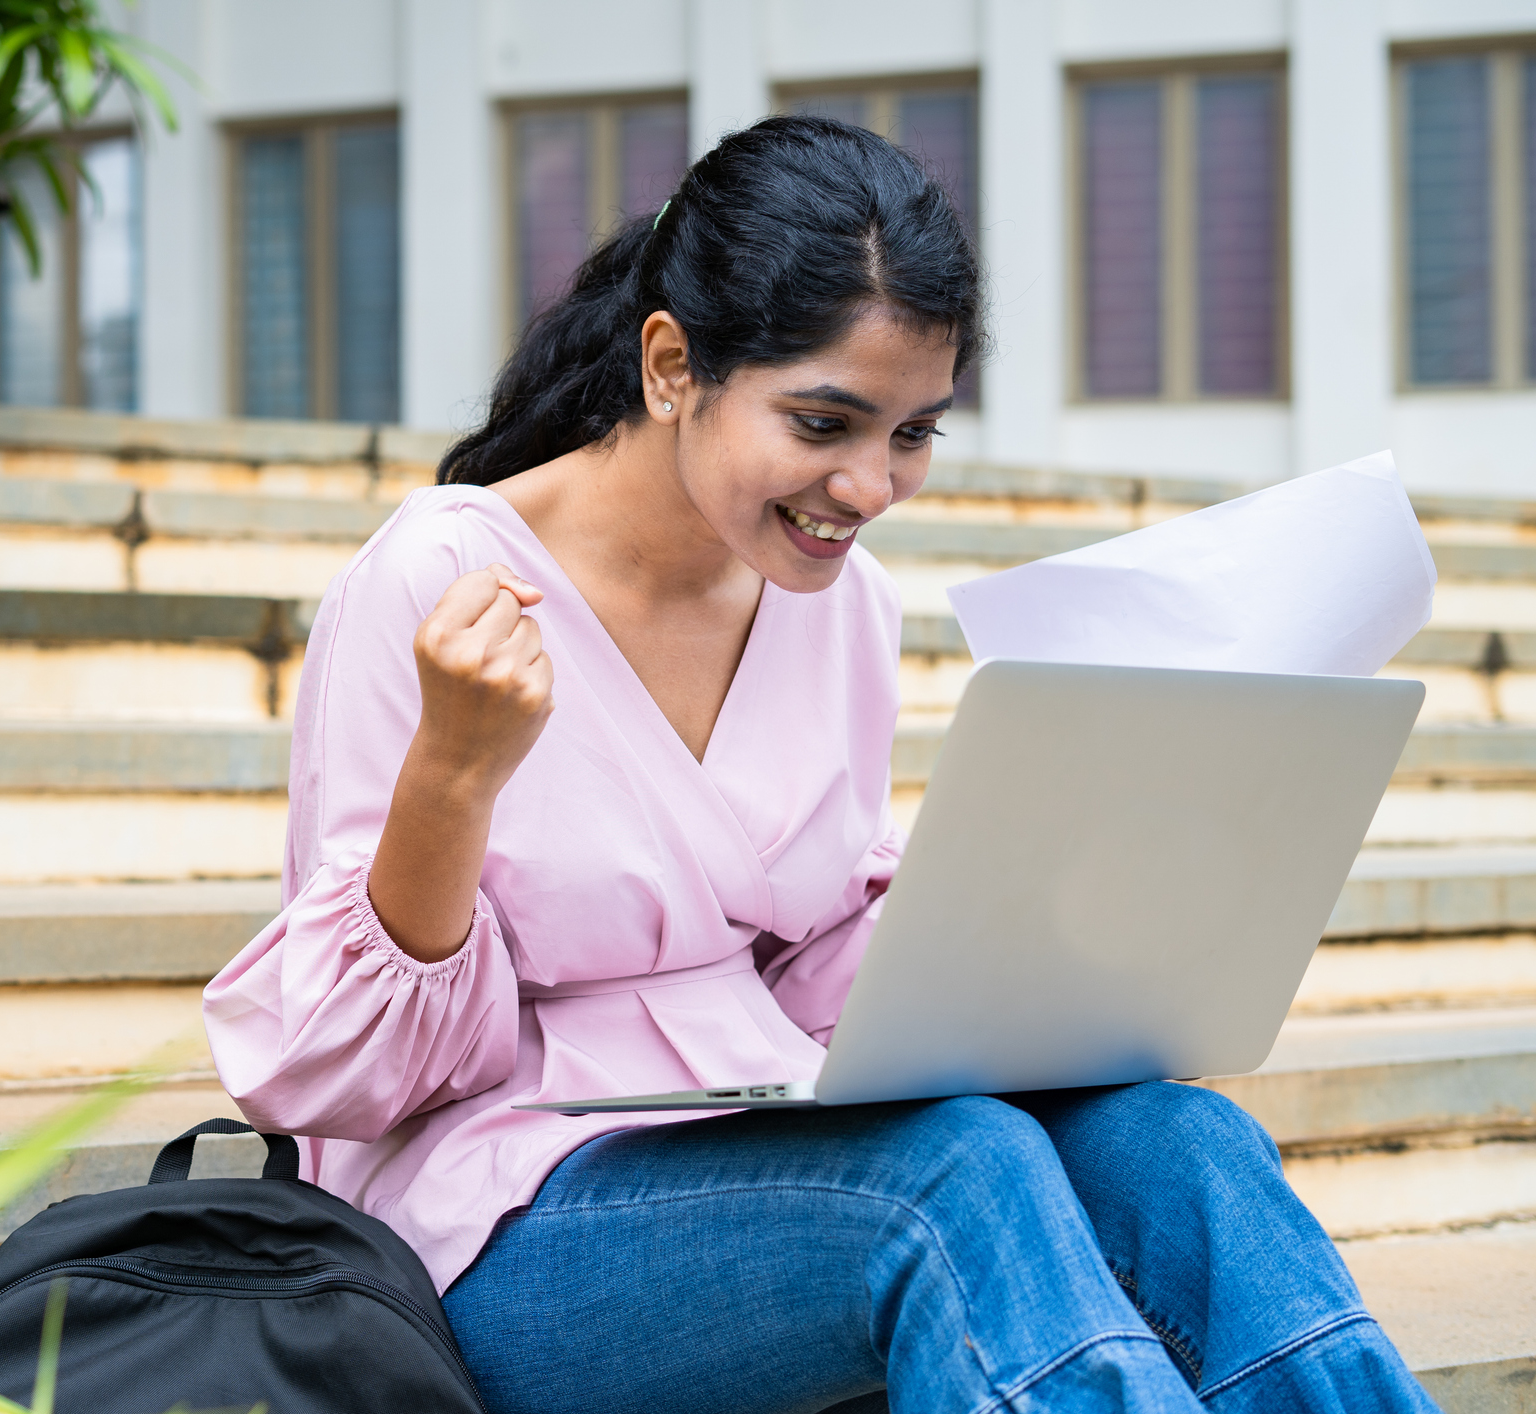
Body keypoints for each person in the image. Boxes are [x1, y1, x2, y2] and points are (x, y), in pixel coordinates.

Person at [202, 115, 1439, 1414]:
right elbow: (340, 1079)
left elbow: (813, 963)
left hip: (773, 1133)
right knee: (960, 1175)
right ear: (672, 364)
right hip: (497, 1215)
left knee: (1177, 1141)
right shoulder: (440, 582)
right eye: (824, 421)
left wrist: (1043, 908)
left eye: (911, 432)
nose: (867, 484)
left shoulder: (838, 602)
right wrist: (453, 771)